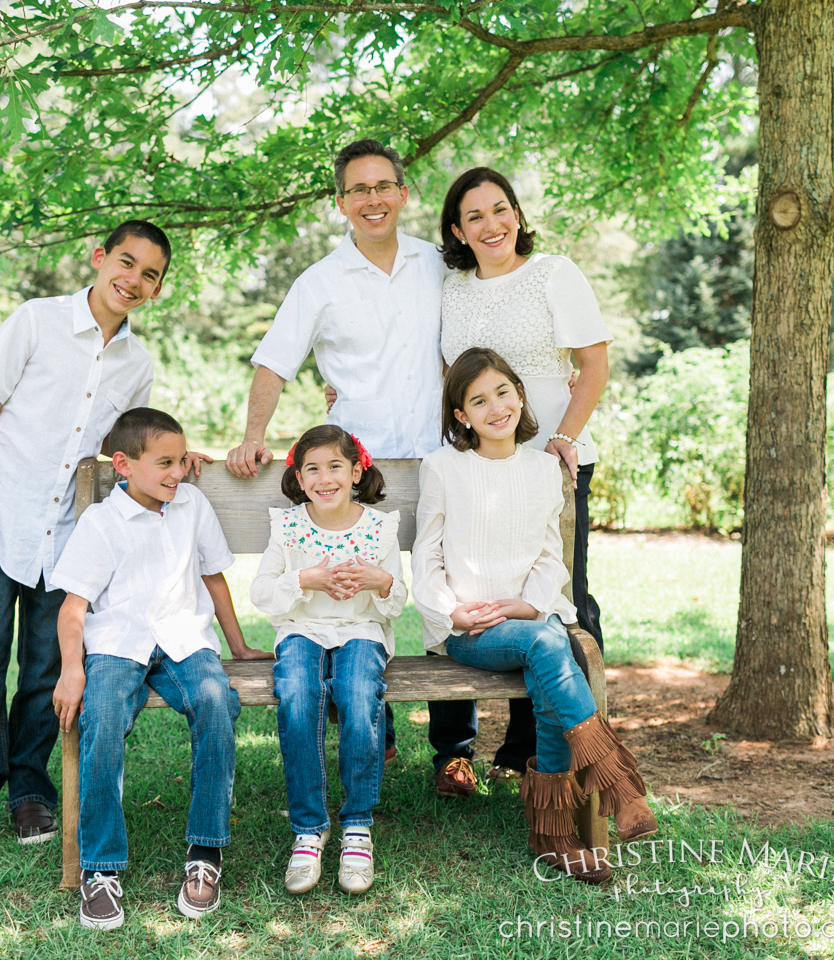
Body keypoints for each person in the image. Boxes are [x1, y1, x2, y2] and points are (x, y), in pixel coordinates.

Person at [226, 139, 474, 799]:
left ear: (403, 192)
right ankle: (376, 728)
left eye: (382, 186)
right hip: (356, 470)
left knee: (442, 594)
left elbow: (469, 345)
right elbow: (274, 362)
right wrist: (254, 436)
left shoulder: (438, 264)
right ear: (341, 203)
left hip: (436, 457)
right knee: (354, 589)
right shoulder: (320, 282)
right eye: (357, 190)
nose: (372, 199)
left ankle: (454, 751)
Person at [0, 221, 191, 847]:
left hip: (66, 536)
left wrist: (184, 457)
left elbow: (124, 448)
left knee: (44, 665)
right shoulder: (36, 320)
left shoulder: (139, 364)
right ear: (99, 257)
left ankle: (30, 787)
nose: (133, 280)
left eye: (150, 275)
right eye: (126, 263)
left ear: (158, 290)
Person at [411, 348, 654, 883]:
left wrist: (529, 605)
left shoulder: (544, 468)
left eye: (503, 392)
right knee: (550, 644)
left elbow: (550, 557)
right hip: (470, 630)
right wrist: (453, 612)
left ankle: (553, 835)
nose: (495, 407)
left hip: (529, 619)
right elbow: (425, 558)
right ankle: (614, 785)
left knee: (547, 658)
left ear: (520, 396)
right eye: (478, 400)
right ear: (461, 416)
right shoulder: (444, 467)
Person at [49, 408, 272, 930]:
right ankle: (100, 869)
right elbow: (73, 607)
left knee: (217, 703)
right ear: (123, 465)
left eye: (180, 459)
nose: (176, 472)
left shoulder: (191, 503)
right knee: (101, 718)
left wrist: (237, 648)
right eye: (164, 463)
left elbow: (213, 578)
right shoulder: (101, 523)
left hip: (183, 638)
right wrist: (71, 670)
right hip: (116, 644)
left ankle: (205, 854)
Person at [437, 167, 613, 780]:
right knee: (468, 589)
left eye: (501, 208)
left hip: (548, 461)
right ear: (457, 229)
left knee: (557, 600)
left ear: (517, 213)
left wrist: (561, 437)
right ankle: (453, 754)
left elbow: (593, 364)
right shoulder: (451, 286)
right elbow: (439, 367)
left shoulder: (554, 274)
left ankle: (536, 752)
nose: (493, 224)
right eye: (476, 216)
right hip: (474, 466)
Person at [251, 425, 407, 896]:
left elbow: (396, 602)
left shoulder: (379, 527)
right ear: (298, 478)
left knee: (359, 696)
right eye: (312, 468)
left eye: (335, 466)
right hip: (302, 630)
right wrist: (306, 578)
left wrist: (380, 581)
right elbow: (261, 593)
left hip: (362, 630)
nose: (325, 478)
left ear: (357, 471)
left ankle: (357, 826)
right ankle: (309, 828)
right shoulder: (289, 524)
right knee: (298, 694)